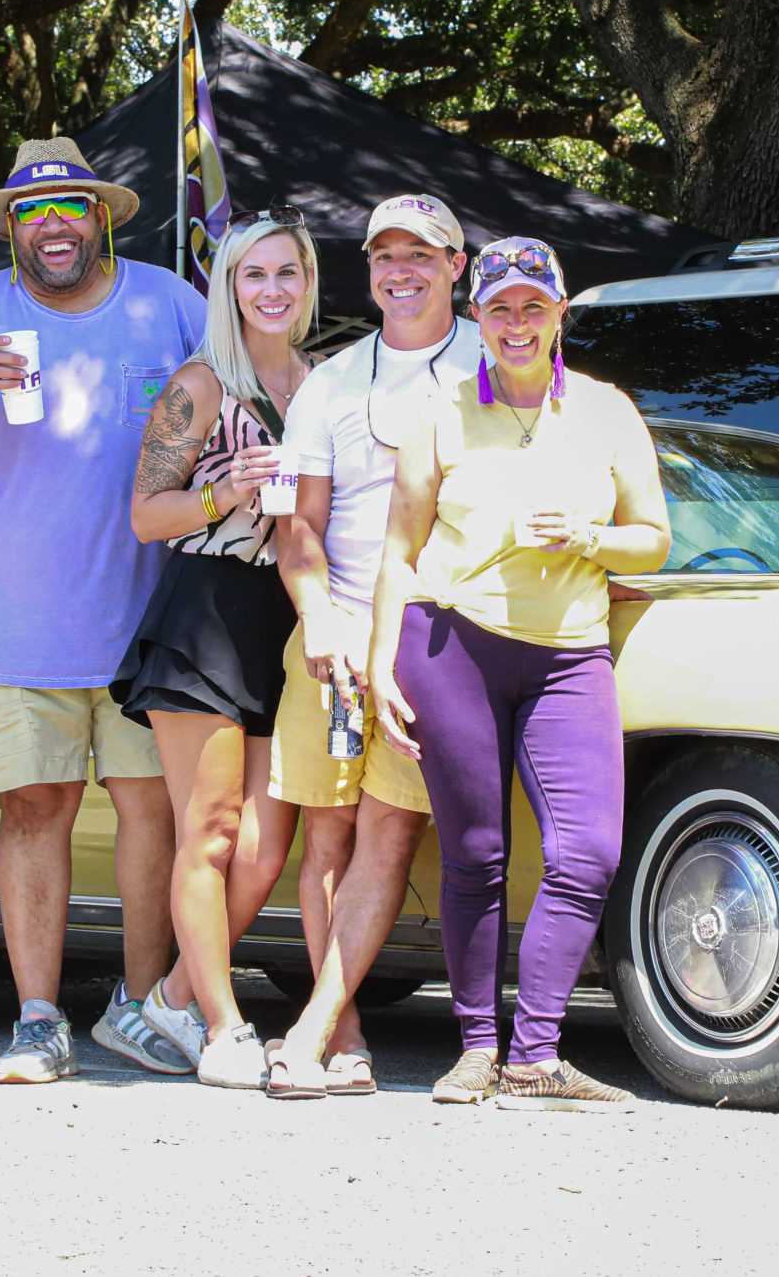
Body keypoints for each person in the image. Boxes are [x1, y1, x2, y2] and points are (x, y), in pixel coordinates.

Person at [0, 137, 202, 1084]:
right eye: (33, 211)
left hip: (152, 624)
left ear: (101, 216)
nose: (54, 224)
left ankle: (143, 1009)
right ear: (11, 227)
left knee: (156, 813)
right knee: (36, 809)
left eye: (70, 206)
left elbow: (239, 408)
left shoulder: (168, 303)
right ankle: (35, 1018)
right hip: (13, 628)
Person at [368, 235, 671, 1110]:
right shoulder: (442, 415)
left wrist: (589, 538)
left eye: (533, 307)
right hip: (451, 641)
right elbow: (398, 550)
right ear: (477, 317)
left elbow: (653, 536)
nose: (516, 323)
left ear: (559, 315)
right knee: (474, 853)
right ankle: (475, 1046)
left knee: (587, 853)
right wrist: (381, 662)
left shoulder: (610, 410)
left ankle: (535, 1052)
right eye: (499, 308)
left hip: (571, 651)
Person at [261, 195, 477, 1096]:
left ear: (456, 267)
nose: (401, 271)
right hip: (337, 635)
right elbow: (295, 527)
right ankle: (341, 1037)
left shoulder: (496, 363)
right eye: (386, 255)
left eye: (421, 256)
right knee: (328, 841)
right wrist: (320, 614)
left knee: (390, 835)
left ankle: (321, 1033)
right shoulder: (331, 383)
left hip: (441, 638)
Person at [113, 210, 320, 1091]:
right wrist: (218, 494)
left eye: (286, 273)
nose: (270, 289)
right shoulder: (200, 384)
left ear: (308, 284)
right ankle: (225, 1024)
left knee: (267, 847)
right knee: (211, 830)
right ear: (228, 288)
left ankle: (166, 996)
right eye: (252, 275)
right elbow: (144, 513)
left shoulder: (321, 384)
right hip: (203, 615)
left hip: (288, 618)